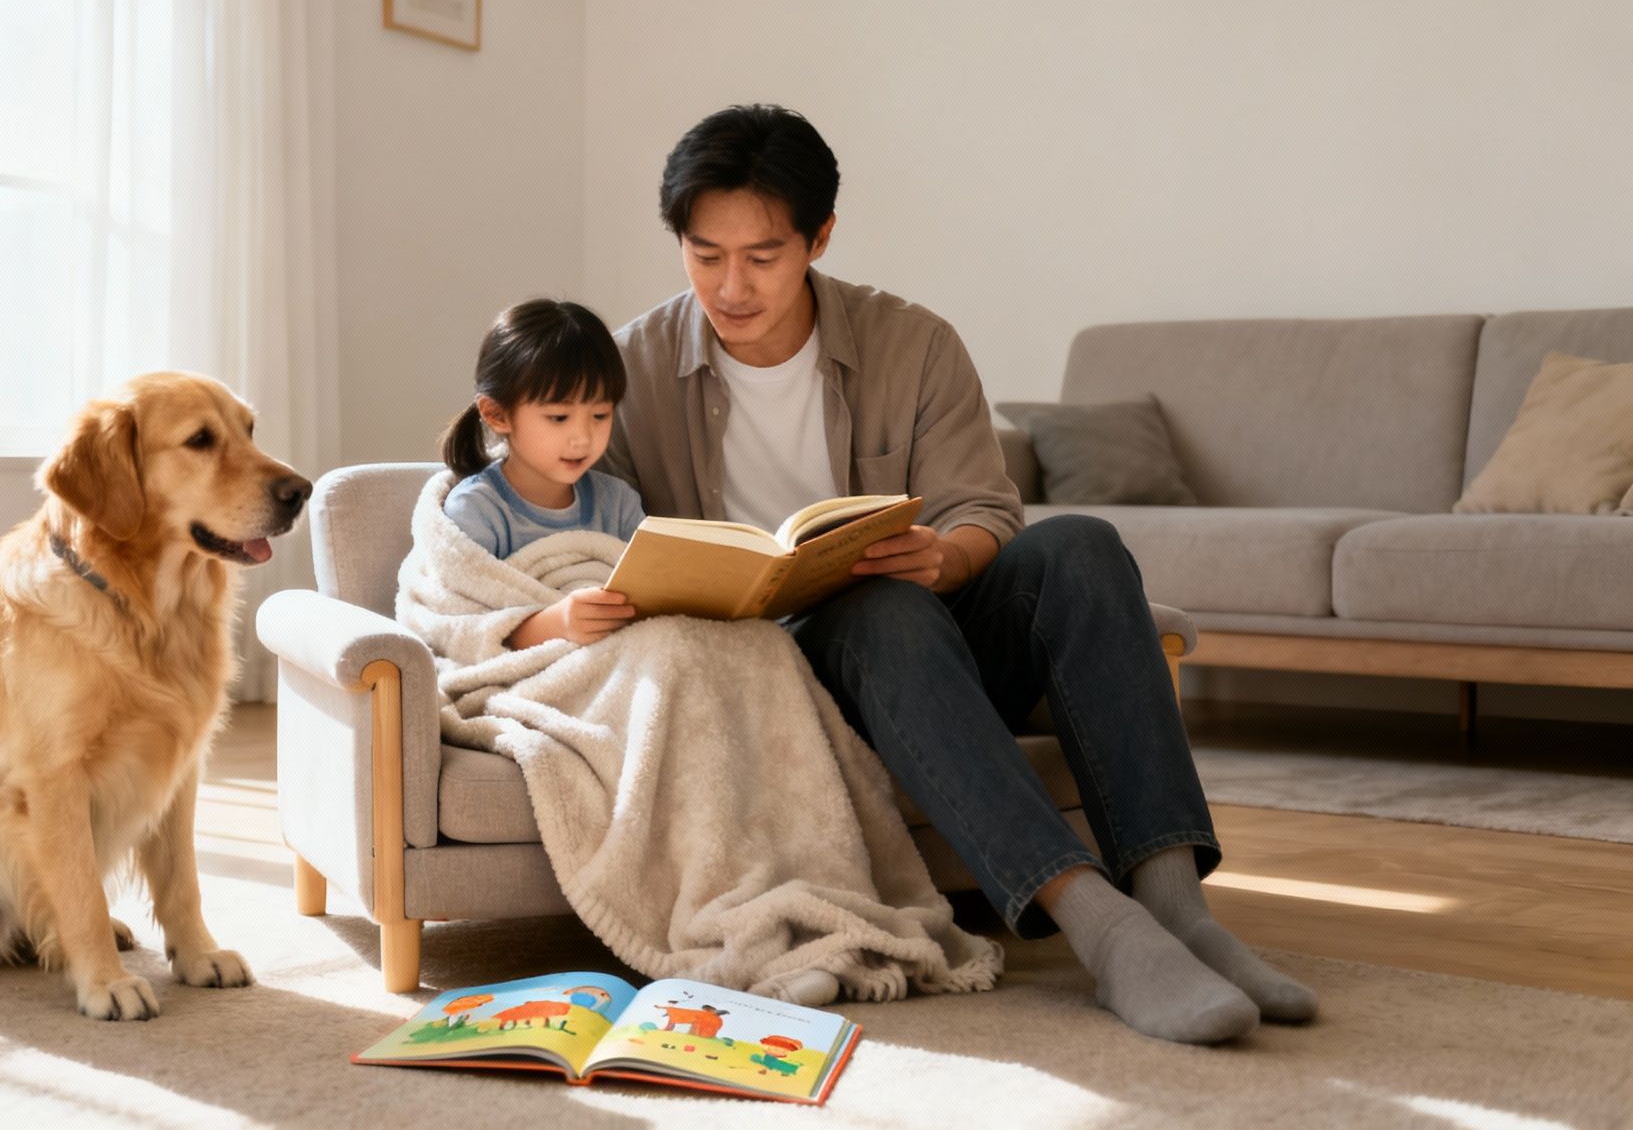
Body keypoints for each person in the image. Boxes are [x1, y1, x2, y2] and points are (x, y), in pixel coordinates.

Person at [598, 104, 1316, 1044]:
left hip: (935, 639)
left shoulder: (913, 342)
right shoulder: (629, 368)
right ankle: (1103, 934)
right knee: (878, 614)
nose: (731, 286)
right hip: (786, 679)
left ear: (820, 238)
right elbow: (582, 529)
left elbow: (984, 506)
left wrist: (946, 556)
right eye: (704, 255)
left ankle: (1180, 910)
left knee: (1082, 544)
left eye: (763, 256)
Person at [439, 298, 644, 649]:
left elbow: (647, 604)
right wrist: (557, 623)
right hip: (535, 673)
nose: (583, 438)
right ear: (497, 414)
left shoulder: (618, 502)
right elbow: (459, 630)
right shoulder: (476, 511)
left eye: (600, 415)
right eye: (559, 418)